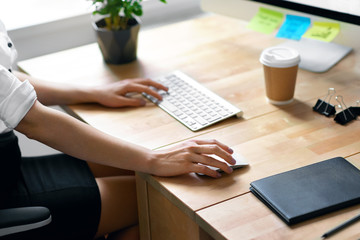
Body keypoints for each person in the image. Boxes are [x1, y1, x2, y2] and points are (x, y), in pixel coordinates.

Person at [0, 19, 235, 240]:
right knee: (161, 197)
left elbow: (8, 81)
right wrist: (153, 159)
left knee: (140, 172)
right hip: (6, 199)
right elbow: (35, 121)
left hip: (11, 166)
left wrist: (92, 93)